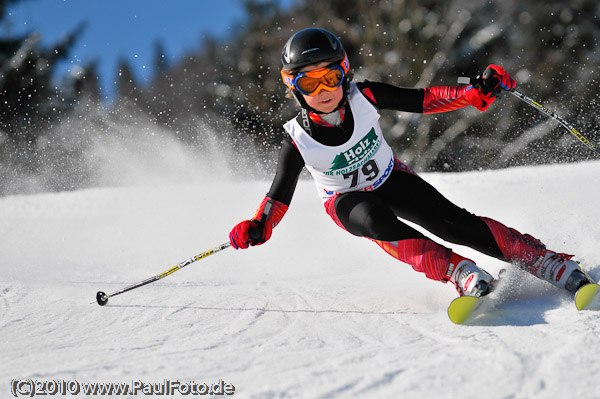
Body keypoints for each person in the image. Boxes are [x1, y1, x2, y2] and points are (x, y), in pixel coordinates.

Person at [229, 27, 592, 298]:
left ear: (345, 73)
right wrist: (260, 224)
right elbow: (279, 194)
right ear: (293, 86)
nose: (323, 90)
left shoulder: (365, 96)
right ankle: (458, 271)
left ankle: (544, 261)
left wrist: (473, 92)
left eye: (331, 77)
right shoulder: (297, 139)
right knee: (374, 219)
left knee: (452, 223)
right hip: (346, 201)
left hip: (391, 177)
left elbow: (424, 99)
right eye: (309, 82)